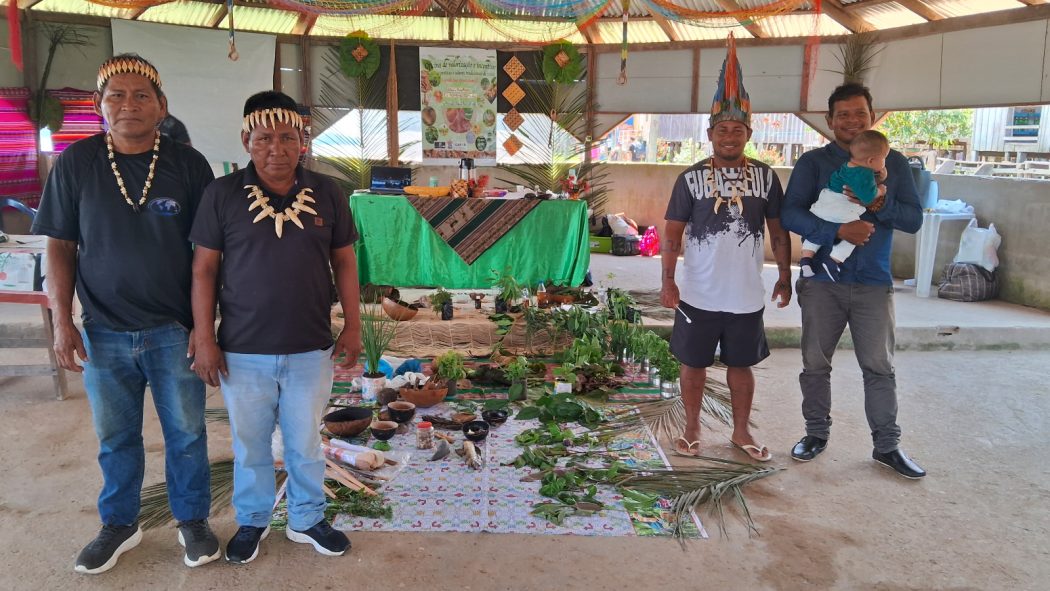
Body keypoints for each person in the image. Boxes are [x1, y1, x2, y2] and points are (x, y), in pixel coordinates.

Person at [31, 54, 218, 574]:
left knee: (186, 434)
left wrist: (206, 330)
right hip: (103, 334)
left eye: (141, 95)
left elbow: (209, 257)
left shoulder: (188, 164)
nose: (128, 104)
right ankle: (119, 524)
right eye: (116, 95)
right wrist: (63, 320)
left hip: (172, 331)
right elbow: (61, 246)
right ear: (98, 105)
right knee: (115, 438)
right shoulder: (76, 163)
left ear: (162, 106)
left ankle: (192, 520)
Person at [189, 90, 363, 564]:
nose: (277, 148)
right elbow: (203, 270)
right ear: (247, 140)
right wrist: (205, 337)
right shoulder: (221, 194)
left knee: (305, 439)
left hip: (310, 346)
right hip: (242, 349)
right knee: (250, 443)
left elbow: (344, 261)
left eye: (288, 137)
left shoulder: (328, 191)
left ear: (303, 141)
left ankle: (307, 519)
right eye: (265, 138)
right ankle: (254, 519)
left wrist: (353, 325)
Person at [781, 83, 926, 479]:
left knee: (879, 366)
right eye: (842, 114)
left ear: (872, 115)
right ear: (829, 121)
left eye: (859, 113)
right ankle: (815, 435)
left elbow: (913, 220)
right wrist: (838, 231)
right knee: (815, 363)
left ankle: (887, 446)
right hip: (822, 282)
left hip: (873, 282)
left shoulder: (894, 164)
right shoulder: (813, 163)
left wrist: (879, 203)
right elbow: (789, 214)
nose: (851, 121)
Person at [660, 33, 792, 462]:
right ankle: (692, 427)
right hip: (698, 293)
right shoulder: (690, 178)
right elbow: (672, 234)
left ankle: (740, 432)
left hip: (746, 294)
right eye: (722, 129)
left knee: (742, 367)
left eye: (737, 129)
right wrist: (668, 282)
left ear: (748, 133)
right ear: (710, 133)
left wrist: (786, 276)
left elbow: (778, 232)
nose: (729, 135)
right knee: (692, 365)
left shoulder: (767, 178)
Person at [798, 130, 891, 281]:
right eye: (884, 159)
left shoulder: (849, 165)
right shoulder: (865, 174)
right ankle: (833, 261)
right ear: (871, 161)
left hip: (825, 200)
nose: (885, 162)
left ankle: (806, 259)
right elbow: (867, 197)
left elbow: (857, 181)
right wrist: (880, 190)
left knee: (816, 233)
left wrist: (878, 176)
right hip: (842, 207)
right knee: (856, 234)